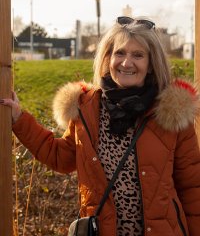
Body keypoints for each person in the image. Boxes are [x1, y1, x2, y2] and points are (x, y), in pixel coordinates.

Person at [0, 16, 200, 236]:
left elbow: (193, 189)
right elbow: (60, 157)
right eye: (120, 53)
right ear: (107, 57)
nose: (126, 63)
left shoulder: (172, 112)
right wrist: (20, 119)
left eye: (138, 55)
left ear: (151, 64)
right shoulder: (86, 109)